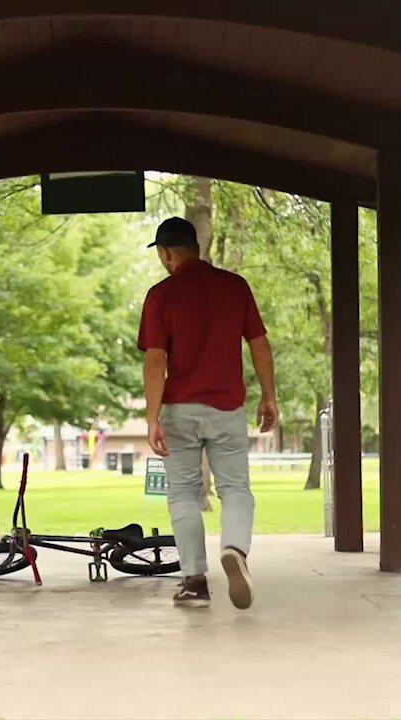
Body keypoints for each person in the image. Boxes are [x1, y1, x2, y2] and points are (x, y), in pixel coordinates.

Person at [137, 217, 277, 610]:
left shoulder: (161, 295)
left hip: (180, 410)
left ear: (165, 253)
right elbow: (260, 345)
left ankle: (195, 581)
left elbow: (155, 359)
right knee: (235, 488)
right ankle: (234, 549)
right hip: (227, 408)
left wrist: (152, 418)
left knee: (182, 492)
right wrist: (269, 397)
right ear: (195, 247)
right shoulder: (235, 287)